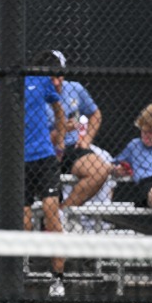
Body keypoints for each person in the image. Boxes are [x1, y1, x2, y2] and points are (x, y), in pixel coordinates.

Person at [0, 53, 68, 297]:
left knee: (52, 215)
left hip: (45, 159)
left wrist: (60, 143)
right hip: (17, 163)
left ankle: (58, 279)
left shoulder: (41, 81)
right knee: (24, 222)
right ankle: (19, 275)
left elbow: (59, 111)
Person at [32, 50, 112, 212]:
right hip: (43, 152)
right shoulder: (32, 96)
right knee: (47, 197)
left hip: (70, 148)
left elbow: (95, 114)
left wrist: (86, 140)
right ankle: (51, 217)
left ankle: (63, 212)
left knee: (100, 170)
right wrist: (61, 130)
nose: (56, 83)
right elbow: (35, 140)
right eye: (51, 79)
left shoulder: (75, 88)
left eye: (59, 76)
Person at [113, 102, 152, 212]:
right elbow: (114, 164)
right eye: (143, 131)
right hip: (148, 184)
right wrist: (117, 169)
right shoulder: (135, 145)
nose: (145, 136)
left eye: (151, 132)